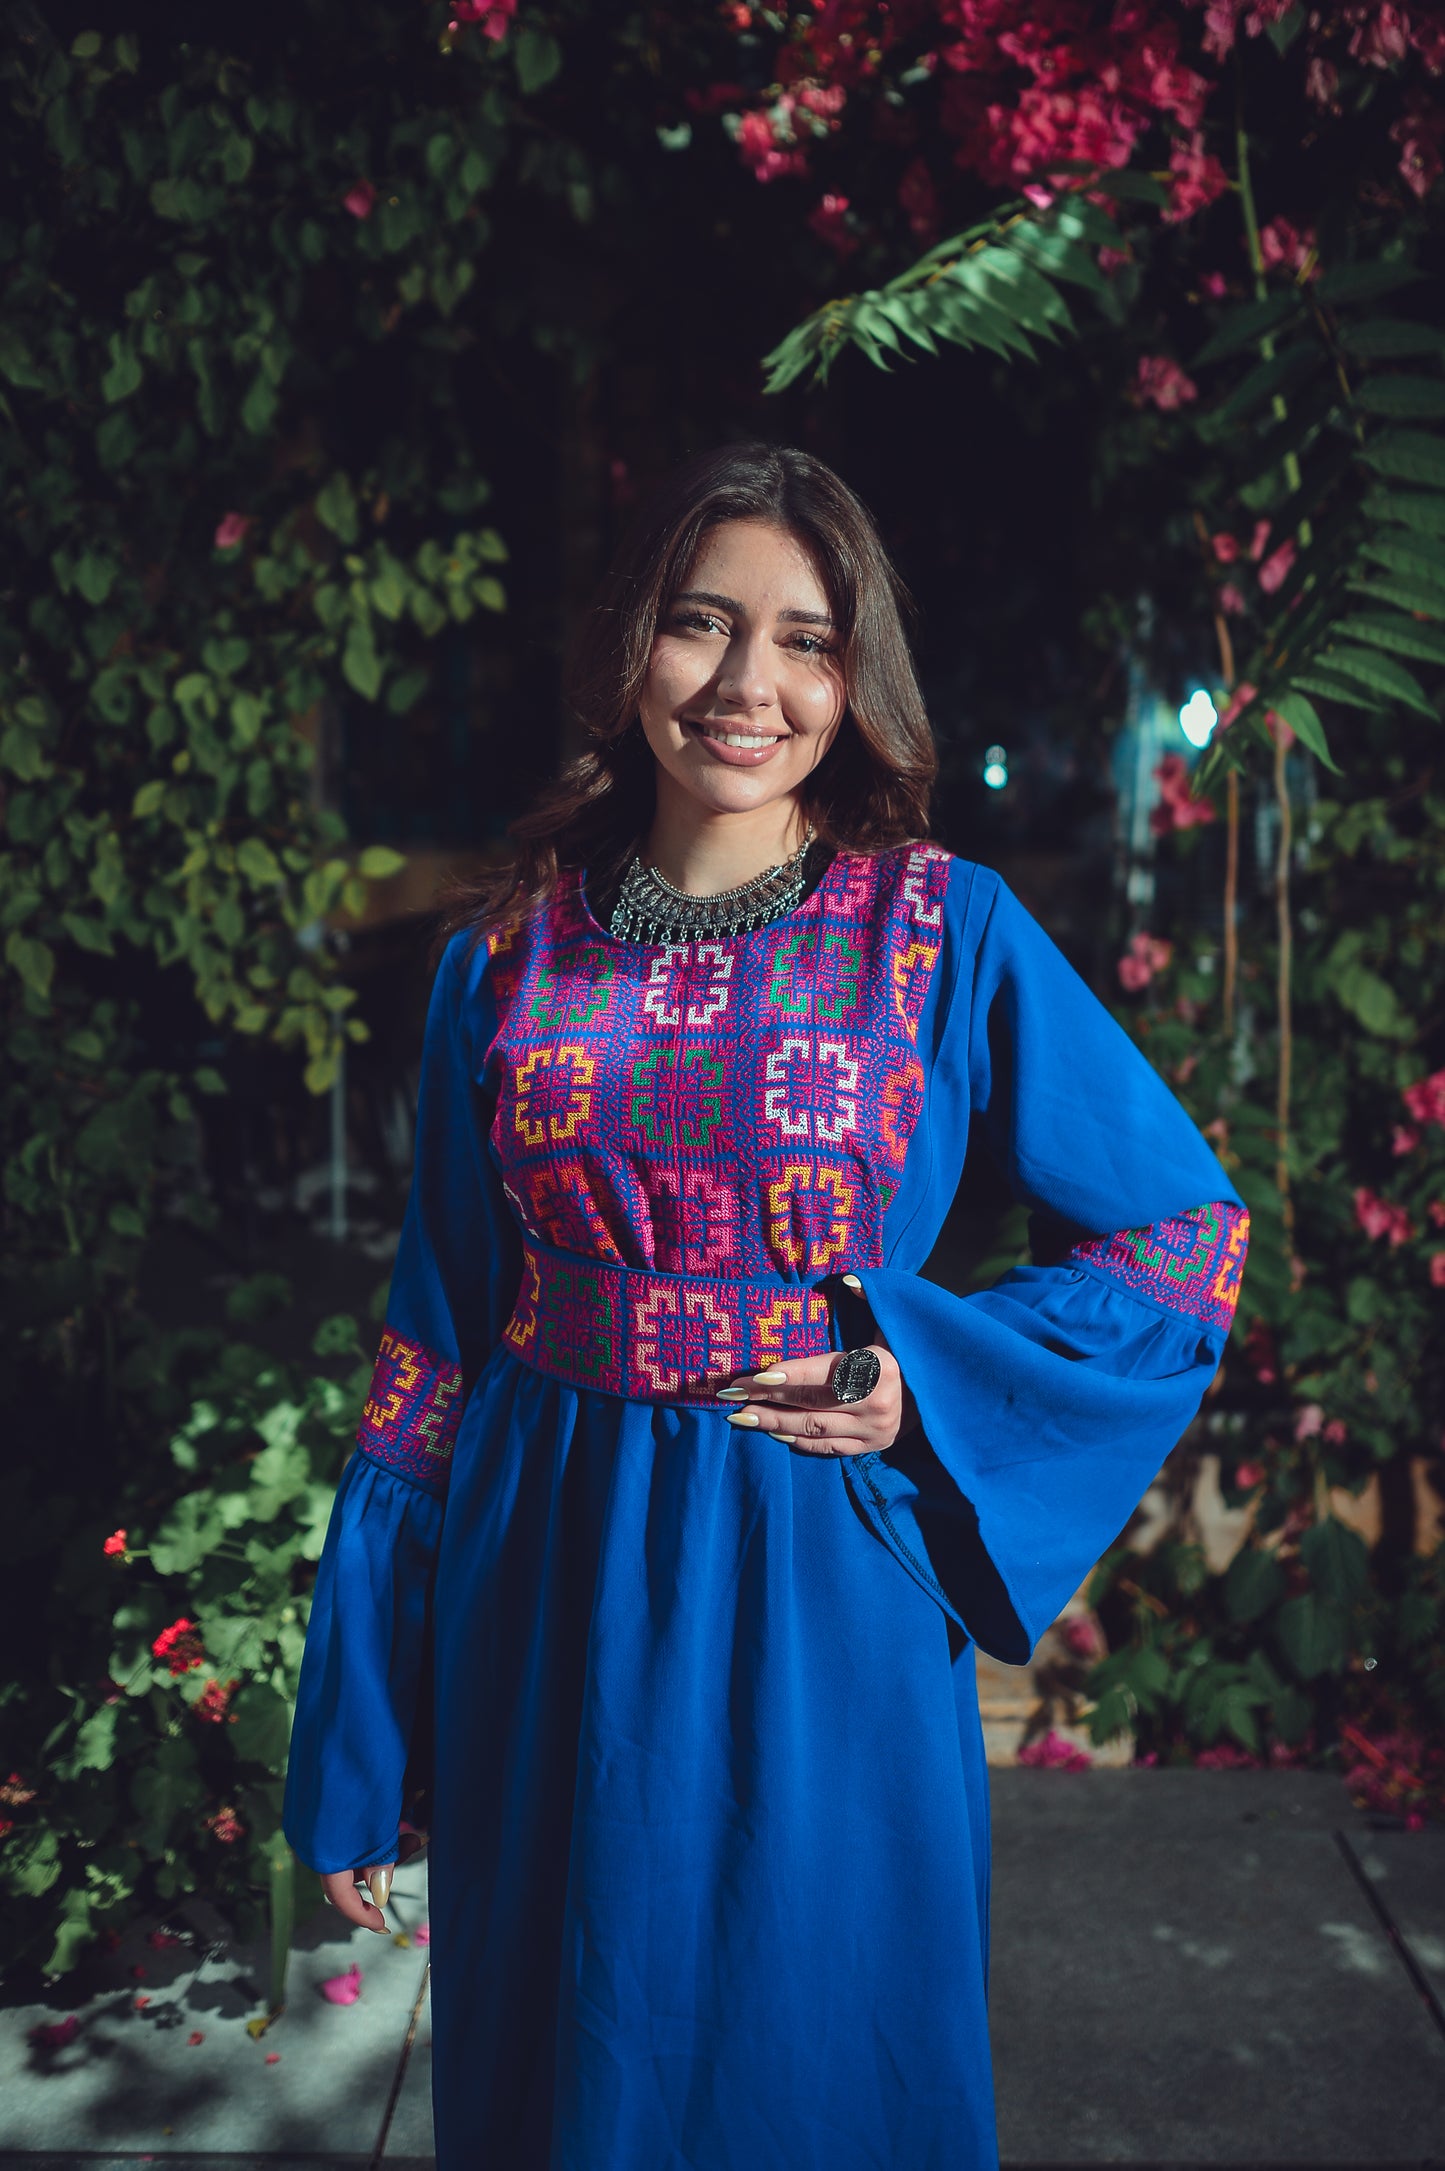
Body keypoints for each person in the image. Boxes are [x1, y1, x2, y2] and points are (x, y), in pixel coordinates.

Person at [283, 442, 1247, 2170]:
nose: (748, 686)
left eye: (804, 641)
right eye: (700, 625)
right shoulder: (497, 961)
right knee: (573, 2062)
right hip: (545, 1572)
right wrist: (365, 1717)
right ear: (629, 650)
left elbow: (1178, 1237)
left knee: (814, 2052)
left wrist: (920, 1372)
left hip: (819, 1583)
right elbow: (433, 1336)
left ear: (852, 678)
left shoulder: (942, 933)